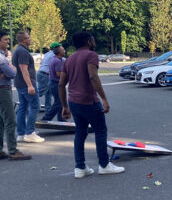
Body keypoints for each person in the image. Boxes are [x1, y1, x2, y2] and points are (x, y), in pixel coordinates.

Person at [59, 31, 125, 178]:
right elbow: (93, 76)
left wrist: (64, 105)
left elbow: (61, 83)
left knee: (80, 132)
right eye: (93, 39)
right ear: (88, 41)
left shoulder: (69, 59)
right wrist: (104, 99)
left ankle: (80, 168)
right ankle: (104, 165)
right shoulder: (91, 55)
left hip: (73, 101)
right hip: (89, 100)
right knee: (100, 130)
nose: (94, 41)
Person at [0, 30, 32, 161]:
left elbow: (8, 72)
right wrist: (10, 68)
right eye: (5, 39)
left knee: (0, 122)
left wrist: (8, 68)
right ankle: (13, 150)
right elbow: (13, 73)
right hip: (1, 91)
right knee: (10, 121)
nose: (8, 42)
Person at [12, 31, 44, 142]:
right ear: (23, 40)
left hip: (20, 84)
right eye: (28, 37)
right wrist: (30, 85)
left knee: (23, 108)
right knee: (35, 106)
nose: (30, 39)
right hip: (26, 85)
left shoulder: (18, 50)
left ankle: (21, 134)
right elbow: (23, 69)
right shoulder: (22, 52)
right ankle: (29, 133)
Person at [41, 43, 66, 122]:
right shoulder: (57, 61)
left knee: (60, 101)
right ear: (59, 52)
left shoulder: (56, 59)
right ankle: (46, 118)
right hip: (55, 84)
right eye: (63, 50)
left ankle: (61, 118)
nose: (64, 50)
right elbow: (59, 74)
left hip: (53, 83)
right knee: (59, 102)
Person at [37, 44, 57, 112]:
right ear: (55, 48)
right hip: (44, 74)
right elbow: (62, 59)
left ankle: (47, 108)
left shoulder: (47, 54)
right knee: (40, 92)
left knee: (48, 92)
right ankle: (30, 106)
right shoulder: (53, 55)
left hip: (42, 73)